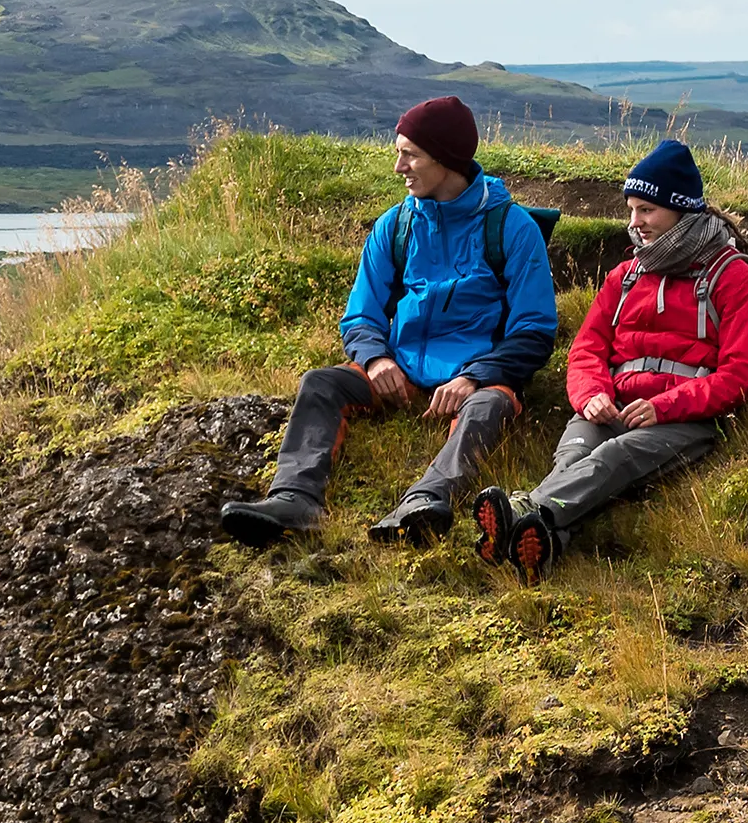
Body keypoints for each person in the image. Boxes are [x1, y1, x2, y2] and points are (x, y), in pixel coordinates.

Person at [220, 95, 560, 548]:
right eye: (398, 151)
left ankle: (425, 502)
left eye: (410, 154)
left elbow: (535, 331)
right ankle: (294, 500)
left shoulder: (513, 229)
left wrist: (477, 377)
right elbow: (360, 315)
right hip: (396, 370)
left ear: (446, 158)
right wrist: (377, 359)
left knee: (490, 407)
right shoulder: (393, 226)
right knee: (322, 383)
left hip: (477, 381)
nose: (399, 166)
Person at [471, 139, 748, 582]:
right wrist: (590, 396)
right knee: (573, 458)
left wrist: (664, 406)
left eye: (646, 210)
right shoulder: (625, 275)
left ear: (679, 209)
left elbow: (738, 376)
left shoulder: (733, 276)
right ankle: (541, 543)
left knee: (612, 458)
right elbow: (587, 349)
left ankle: (521, 513)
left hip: (684, 419)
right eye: (631, 209)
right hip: (612, 404)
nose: (635, 223)